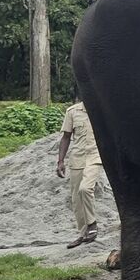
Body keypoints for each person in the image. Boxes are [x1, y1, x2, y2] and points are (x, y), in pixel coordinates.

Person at [57, 101, 106, 248]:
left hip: (95, 156)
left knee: (85, 188)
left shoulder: (102, 108)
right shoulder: (72, 111)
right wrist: (60, 161)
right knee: (76, 199)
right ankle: (83, 234)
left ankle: (92, 224)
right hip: (77, 158)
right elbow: (66, 137)